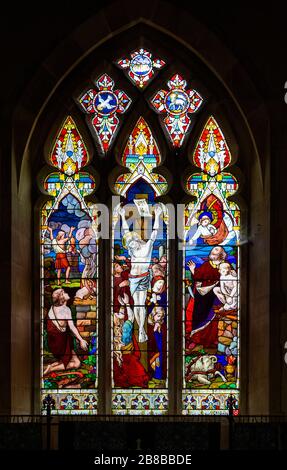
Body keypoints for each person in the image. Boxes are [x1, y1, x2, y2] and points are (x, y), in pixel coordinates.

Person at [118, 204, 163, 343]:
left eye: (132, 241)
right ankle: (140, 329)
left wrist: (158, 215)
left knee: (140, 305)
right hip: (132, 278)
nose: (131, 244)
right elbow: (126, 231)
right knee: (135, 305)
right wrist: (121, 216)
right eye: (129, 243)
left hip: (143, 278)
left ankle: (142, 330)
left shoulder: (146, 247)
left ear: (137, 239)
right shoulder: (132, 248)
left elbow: (154, 233)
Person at [186, 246, 227, 348]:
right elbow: (198, 277)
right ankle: (196, 339)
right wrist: (193, 270)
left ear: (221, 254)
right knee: (199, 316)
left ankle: (213, 339)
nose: (213, 251)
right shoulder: (206, 265)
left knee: (214, 318)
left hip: (216, 297)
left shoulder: (226, 266)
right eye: (213, 250)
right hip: (203, 297)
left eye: (216, 250)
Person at [43, 288, 88, 375]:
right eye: (64, 292)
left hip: (55, 342)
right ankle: (51, 369)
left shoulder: (52, 308)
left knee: (74, 361)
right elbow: (71, 327)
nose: (67, 293)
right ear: (61, 298)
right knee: (77, 364)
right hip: (60, 343)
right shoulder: (65, 309)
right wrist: (81, 340)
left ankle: (51, 366)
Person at [147, 306, 167, 381]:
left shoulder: (163, 326)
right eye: (158, 316)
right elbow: (148, 342)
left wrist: (160, 330)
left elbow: (165, 340)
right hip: (153, 352)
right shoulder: (148, 326)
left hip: (162, 351)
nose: (160, 318)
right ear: (153, 315)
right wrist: (154, 330)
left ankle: (161, 376)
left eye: (161, 316)